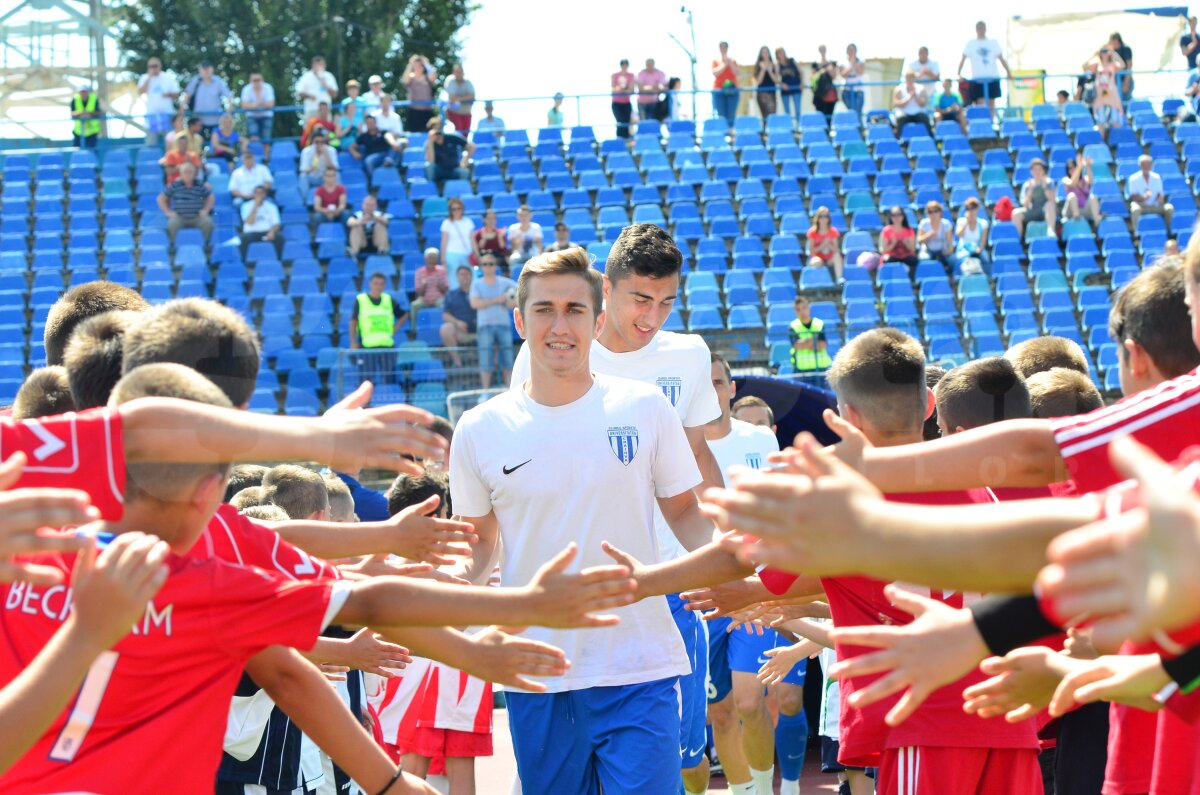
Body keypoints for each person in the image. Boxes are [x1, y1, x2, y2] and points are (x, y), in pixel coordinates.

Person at [452, 246, 734, 795]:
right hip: (537, 669)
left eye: (575, 310)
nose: (560, 326)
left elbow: (683, 511)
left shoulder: (647, 406)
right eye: (544, 310)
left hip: (638, 664)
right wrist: (452, 585)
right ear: (519, 318)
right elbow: (479, 542)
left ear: (597, 317)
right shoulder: (479, 428)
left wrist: (729, 564)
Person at [704, 355, 808, 795]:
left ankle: (766, 789)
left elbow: (781, 510)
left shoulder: (759, 438)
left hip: (752, 587)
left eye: (716, 382)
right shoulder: (672, 443)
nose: (709, 391)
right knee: (721, 713)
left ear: (730, 388)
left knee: (752, 701)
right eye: (701, 383)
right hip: (696, 596)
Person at [469, 254, 516, 389]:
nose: (488, 267)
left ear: (495, 265)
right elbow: (475, 303)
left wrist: (511, 301)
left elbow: (521, 293)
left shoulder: (506, 282)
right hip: (485, 326)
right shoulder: (477, 283)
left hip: (503, 325)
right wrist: (499, 299)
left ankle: (510, 390)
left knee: (507, 360)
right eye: (485, 264)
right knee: (485, 361)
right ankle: (485, 391)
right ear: (481, 267)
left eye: (490, 263)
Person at [350, 272, 407, 358]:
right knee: (367, 372)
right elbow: (353, 321)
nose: (378, 287)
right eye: (376, 283)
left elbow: (404, 315)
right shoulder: (361, 300)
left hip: (387, 345)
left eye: (381, 284)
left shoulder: (388, 300)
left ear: (384, 286)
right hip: (366, 346)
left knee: (389, 372)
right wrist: (353, 341)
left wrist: (395, 328)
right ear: (370, 284)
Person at [959, 20, 1012, 110]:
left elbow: (1001, 59)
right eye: (979, 28)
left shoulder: (993, 42)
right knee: (980, 103)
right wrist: (958, 74)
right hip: (978, 79)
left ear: (985, 29)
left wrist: (1008, 72)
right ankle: (982, 122)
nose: (981, 30)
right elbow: (963, 59)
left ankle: (991, 122)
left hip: (992, 78)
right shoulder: (971, 44)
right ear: (976, 30)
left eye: (983, 28)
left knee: (991, 103)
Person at [158, 162, 213, 245]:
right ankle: (175, 246)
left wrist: (206, 210)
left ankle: (204, 245)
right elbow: (161, 198)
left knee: (207, 222)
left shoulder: (200, 185)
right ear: (181, 174)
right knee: (172, 224)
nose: (188, 174)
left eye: (190, 172)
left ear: (194, 174)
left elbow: (211, 197)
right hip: (179, 217)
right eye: (185, 172)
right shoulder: (175, 185)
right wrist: (168, 212)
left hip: (197, 217)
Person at [1084, 46, 1126, 137]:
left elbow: (1122, 65)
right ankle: (1102, 141)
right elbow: (1084, 66)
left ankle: (1116, 141)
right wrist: (1093, 55)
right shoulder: (1097, 65)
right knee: (1101, 119)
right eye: (1103, 51)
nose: (1104, 53)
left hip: (1111, 94)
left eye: (1106, 51)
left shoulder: (1113, 65)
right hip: (1100, 95)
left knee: (1115, 118)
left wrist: (1115, 54)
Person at [440, 265, 477, 367]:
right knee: (445, 329)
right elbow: (445, 315)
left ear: (471, 276)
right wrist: (457, 323)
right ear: (457, 277)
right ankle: (457, 363)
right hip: (462, 333)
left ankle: (495, 365)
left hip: (481, 331)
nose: (465, 276)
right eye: (462, 274)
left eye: (467, 274)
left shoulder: (480, 291)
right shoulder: (451, 295)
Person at [181, 61, 232, 135]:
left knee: (215, 143)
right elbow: (187, 95)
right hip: (198, 121)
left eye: (207, 69)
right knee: (196, 143)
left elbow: (229, 95)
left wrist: (229, 107)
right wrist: (181, 109)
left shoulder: (218, 81)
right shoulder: (195, 80)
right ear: (200, 70)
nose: (206, 71)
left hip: (215, 120)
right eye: (204, 69)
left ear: (212, 70)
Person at [137, 57, 180, 145]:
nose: (153, 68)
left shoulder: (168, 77)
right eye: (151, 66)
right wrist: (149, 78)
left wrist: (168, 95)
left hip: (167, 115)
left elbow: (177, 95)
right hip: (152, 116)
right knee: (151, 143)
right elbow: (140, 92)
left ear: (160, 66)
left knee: (171, 142)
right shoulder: (144, 77)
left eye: (155, 66)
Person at [1012, 158, 1057, 239]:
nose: (1037, 172)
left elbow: (1053, 200)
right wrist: (1030, 191)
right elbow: (1025, 204)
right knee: (1015, 213)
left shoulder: (1049, 182)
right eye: (1035, 170)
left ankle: (1051, 231)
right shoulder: (1027, 185)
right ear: (1031, 171)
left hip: (1045, 211)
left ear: (1043, 171)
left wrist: (1045, 187)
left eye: (1039, 169)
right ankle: (1018, 239)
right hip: (1032, 210)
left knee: (1050, 204)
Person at [1128, 154, 1174, 229]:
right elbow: (1134, 197)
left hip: (1155, 205)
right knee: (1135, 210)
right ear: (1140, 165)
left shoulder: (1157, 177)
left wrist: (1160, 199)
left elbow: (1160, 194)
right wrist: (1145, 197)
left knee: (1169, 208)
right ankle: (1136, 233)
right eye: (1144, 165)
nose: (1146, 167)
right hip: (1141, 206)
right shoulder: (1133, 179)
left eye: (1148, 164)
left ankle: (1168, 231)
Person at [425, 117, 473, 185]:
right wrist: (431, 142)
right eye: (435, 129)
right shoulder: (429, 143)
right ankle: (432, 190)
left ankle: (463, 191)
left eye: (439, 128)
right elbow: (431, 161)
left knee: (465, 172)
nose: (438, 132)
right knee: (429, 167)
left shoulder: (452, 137)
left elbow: (472, 146)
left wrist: (464, 161)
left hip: (454, 169)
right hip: (439, 171)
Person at [789, 295, 831, 372]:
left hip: (821, 368)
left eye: (804, 308)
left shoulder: (819, 323)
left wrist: (804, 343)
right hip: (801, 370)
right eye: (798, 309)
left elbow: (823, 344)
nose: (802, 311)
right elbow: (797, 345)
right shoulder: (793, 326)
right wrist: (814, 340)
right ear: (795, 311)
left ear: (809, 308)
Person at [240, 184, 281, 257]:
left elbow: (276, 224)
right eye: (257, 193)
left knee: (279, 237)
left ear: (265, 194)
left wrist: (272, 232)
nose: (259, 195)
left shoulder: (272, 207)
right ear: (254, 194)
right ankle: (245, 262)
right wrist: (256, 206)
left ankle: (278, 260)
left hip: (266, 232)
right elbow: (249, 222)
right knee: (243, 238)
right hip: (251, 233)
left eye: (261, 193)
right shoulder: (246, 206)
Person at [806, 206, 844, 283]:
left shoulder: (833, 231)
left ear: (828, 219)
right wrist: (822, 245)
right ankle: (819, 283)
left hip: (829, 258)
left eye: (825, 216)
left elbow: (836, 249)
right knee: (816, 262)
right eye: (821, 216)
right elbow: (812, 251)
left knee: (837, 256)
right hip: (818, 257)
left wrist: (828, 244)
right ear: (817, 218)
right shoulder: (812, 232)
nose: (823, 219)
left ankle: (839, 279)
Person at [402, 54, 438, 132]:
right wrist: (410, 64)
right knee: (413, 134)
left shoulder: (427, 77)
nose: (418, 67)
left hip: (427, 111)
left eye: (420, 65)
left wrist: (426, 63)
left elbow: (433, 76)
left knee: (430, 133)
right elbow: (405, 80)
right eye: (416, 65)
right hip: (414, 112)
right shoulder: (410, 77)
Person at [917, 200, 955, 272]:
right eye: (930, 212)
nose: (933, 214)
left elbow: (950, 243)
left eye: (936, 211)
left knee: (953, 259)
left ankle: (952, 278)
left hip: (943, 250)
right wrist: (929, 235)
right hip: (928, 250)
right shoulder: (924, 223)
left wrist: (948, 252)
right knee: (924, 259)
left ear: (940, 212)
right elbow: (919, 240)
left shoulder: (946, 224)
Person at [295, 55, 338, 119]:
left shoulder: (329, 76)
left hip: (326, 111)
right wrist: (309, 96)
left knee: (326, 129)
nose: (319, 67)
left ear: (325, 65)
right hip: (311, 110)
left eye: (321, 65)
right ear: (312, 66)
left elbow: (334, 94)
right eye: (317, 65)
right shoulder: (306, 76)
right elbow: (299, 93)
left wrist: (325, 84)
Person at [955, 196, 990, 271]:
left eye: (973, 208)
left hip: (977, 248)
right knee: (964, 259)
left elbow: (983, 243)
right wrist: (967, 222)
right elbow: (959, 235)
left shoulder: (983, 223)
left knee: (985, 257)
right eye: (968, 208)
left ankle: (988, 278)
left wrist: (978, 250)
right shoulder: (961, 221)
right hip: (964, 249)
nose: (971, 211)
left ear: (977, 209)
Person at [1062, 156, 1101, 224]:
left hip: (1084, 209)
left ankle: (1097, 221)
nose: (1072, 169)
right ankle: (1076, 218)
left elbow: (1091, 181)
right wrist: (1079, 167)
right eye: (1069, 168)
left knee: (1092, 197)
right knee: (1072, 195)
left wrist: (1088, 166)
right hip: (1071, 211)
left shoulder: (1084, 179)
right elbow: (1072, 183)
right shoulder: (1065, 180)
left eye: (1074, 167)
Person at [240, 70, 275, 144]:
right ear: (250, 80)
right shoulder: (246, 89)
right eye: (254, 80)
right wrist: (260, 104)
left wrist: (252, 105)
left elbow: (271, 104)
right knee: (254, 139)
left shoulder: (268, 87)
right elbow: (244, 105)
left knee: (266, 141)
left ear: (262, 80)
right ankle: (257, 155)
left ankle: (266, 156)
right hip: (252, 117)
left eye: (258, 80)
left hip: (266, 116)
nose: (256, 82)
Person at [412, 247, 450, 317]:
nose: (432, 260)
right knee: (414, 305)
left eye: (434, 258)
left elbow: (446, 291)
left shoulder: (442, 271)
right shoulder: (419, 272)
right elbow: (419, 293)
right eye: (430, 258)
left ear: (437, 260)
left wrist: (440, 285)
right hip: (424, 299)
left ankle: (444, 325)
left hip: (438, 298)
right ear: (425, 259)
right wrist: (424, 285)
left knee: (443, 304)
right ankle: (413, 328)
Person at [439, 197, 475, 269]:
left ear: (462, 209)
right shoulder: (446, 223)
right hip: (452, 255)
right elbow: (444, 242)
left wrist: (477, 254)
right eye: (453, 209)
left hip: (467, 254)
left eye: (459, 208)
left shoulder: (468, 221)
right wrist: (443, 259)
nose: (456, 211)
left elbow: (473, 240)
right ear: (450, 211)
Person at [298, 130, 338, 196]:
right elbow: (303, 169)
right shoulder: (306, 151)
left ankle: (337, 199)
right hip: (312, 177)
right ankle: (304, 201)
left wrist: (325, 154)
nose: (319, 144)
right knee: (303, 176)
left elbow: (334, 168)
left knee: (336, 174)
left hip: (326, 177)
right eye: (317, 142)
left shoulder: (331, 150)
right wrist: (316, 156)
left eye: (322, 142)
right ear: (312, 142)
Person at [892, 70, 930, 134]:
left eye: (911, 78)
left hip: (918, 113)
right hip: (904, 114)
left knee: (924, 118)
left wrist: (915, 96)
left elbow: (923, 104)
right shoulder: (899, 89)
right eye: (907, 78)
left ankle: (930, 138)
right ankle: (898, 140)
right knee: (899, 120)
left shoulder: (921, 88)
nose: (909, 80)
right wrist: (909, 96)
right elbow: (897, 104)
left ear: (914, 78)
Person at [880, 206, 918, 271]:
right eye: (894, 215)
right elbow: (884, 250)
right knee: (887, 260)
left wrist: (906, 243)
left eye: (899, 214)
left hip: (906, 256)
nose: (896, 217)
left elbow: (912, 249)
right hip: (892, 256)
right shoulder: (886, 230)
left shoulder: (909, 230)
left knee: (914, 261)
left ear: (903, 216)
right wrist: (893, 243)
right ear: (890, 217)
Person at [712, 41, 740, 128]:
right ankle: (723, 133)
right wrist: (724, 64)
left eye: (725, 47)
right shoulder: (715, 61)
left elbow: (737, 72)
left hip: (732, 91)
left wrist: (729, 63)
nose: (723, 49)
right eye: (722, 47)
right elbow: (715, 73)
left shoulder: (733, 61)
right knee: (721, 115)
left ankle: (731, 135)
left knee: (731, 115)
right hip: (719, 91)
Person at [444, 63, 476, 133]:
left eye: (460, 72)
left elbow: (472, 96)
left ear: (463, 73)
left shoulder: (468, 82)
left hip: (466, 113)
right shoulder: (450, 81)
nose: (458, 74)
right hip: (453, 112)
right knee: (459, 132)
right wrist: (465, 98)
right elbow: (452, 98)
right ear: (453, 73)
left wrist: (458, 98)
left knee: (465, 134)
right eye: (456, 72)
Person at [637, 58, 668, 124]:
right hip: (642, 103)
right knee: (643, 123)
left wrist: (648, 88)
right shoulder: (641, 73)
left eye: (650, 64)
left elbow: (665, 87)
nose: (649, 66)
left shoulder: (660, 73)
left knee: (653, 122)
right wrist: (654, 87)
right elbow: (640, 88)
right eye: (648, 64)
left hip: (654, 103)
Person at [776, 47, 803, 122]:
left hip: (796, 87)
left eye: (782, 52)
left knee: (797, 110)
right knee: (787, 111)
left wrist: (801, 83)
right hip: (786, 89)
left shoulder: (792, 61)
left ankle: (798, 128)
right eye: (779, 53)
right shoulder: (778, 65)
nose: (781, 54)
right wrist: (781, 84)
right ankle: (790, 127)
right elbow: (776, 78)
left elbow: (800, 72)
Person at [840, 44, 866, 118]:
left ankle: (859, 128)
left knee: (858, 111)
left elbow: (861, 72)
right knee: (851, 111)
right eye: (850, 50)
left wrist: (855, 63)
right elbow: (843, 74)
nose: (852, 52)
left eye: (853, 50)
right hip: (847, 90)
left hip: (858, 90)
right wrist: (851, 65)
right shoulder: (842, 61)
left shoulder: (860, 61)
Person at [611, 58, 635, 138]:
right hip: (616, 103)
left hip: (626, 103)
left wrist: (621, 89)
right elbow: (613, 89)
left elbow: (631, 90)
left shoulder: (631, 75)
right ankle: (620, 138)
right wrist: (623, 89)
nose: (624, 66)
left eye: (626, 65)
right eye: (623, 65)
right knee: (620, 121)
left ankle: (626, 138)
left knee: (626, 121)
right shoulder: (614, 75)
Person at [753, 46, 780, 118]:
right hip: (762, 94)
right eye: (763, 52)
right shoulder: (758, 65)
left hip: (771, 93)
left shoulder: (774, 65)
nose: (765, 54)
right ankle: (764, 129)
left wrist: (770, 71)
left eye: (766, 52)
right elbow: (758, 81)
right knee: (765, 116)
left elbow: (777, 81)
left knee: (772, 114)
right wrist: (763, 69)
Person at [811, 56, 839, 124]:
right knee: (820, 117)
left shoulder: (830, 66)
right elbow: (812, 78)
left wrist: (830, 69)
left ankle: (827, 132)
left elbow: (834, 76)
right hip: (819, 97)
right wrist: (821, 71)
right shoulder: (815, 65)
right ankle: (822, 132)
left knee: (829, 118)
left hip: (830, 98)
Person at [1109, 32, 1134, 104]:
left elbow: (1129, 65)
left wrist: (1126, 81)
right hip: (1116, 81)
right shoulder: (1112, 51)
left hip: (1125, 79)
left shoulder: (1126, 49)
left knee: (1126, 102)